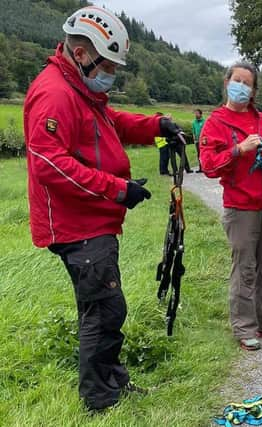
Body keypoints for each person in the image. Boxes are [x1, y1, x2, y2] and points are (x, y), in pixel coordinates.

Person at [23, 6, 184, 412]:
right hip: (77, 225)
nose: (110, 72)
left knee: (102, 307)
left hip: (92, 220)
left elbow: (111, 121)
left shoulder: (80, 90)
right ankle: (100, 397)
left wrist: (155, 125)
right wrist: (116, 189)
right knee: (105, 310)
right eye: (108, 64)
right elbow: (50, 164)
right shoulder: (55, 94)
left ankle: (109, 381)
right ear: (82, 54)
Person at [199, 62, 262, 351]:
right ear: (227, 83)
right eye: (237, 80)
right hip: (240, 206)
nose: (241, 86)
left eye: (247, 83)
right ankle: (244, 327)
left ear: (253, 90)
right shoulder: (215, 122)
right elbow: (208, 165)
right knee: (245, 266)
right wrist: (239, 150)